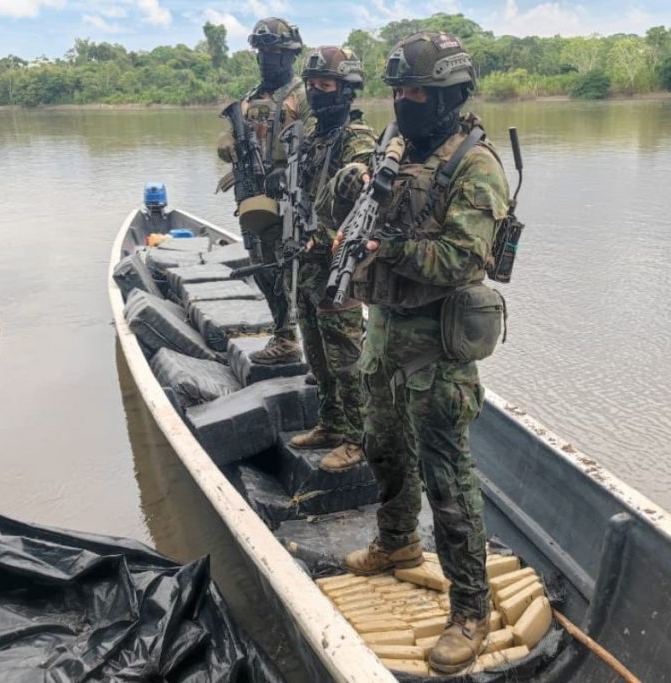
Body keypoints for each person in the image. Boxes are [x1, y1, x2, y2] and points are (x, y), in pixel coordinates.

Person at [335, 32, 511, 673]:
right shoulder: (392, 145)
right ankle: (398, 542)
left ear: (452, 95)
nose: (406, 102)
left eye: (419, 92)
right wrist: (353, 189)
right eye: (399, 91)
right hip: (383, 330)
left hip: (436, 345)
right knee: (384, 446)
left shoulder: (476, 163)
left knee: (448, 477)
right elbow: (346, 222)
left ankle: (470, 609)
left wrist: (388, 244)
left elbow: (463, 258)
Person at [285, 46, 377, 471]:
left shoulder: (357, 140)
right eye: (312, 85)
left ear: (346, 90)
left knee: (347, 361)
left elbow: (364, 203)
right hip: (306, 264)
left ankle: (358, 440)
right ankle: (331, 423)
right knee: (317, 355)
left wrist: (323, 239)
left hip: (338, 267)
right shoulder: (312, 137)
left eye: (326, 85)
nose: (318, 93)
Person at [217, 17, 309, 365]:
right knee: (262, 266)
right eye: (261, 51)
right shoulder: (249, 99)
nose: (266, 58)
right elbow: (231, 136)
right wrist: (226, 140)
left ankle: (301, 339)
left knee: (294, 270)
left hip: (288, 198)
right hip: (251, 196)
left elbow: (320, 142)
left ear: (289, 55)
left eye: (273, 51)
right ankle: (284, 335)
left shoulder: (303, 95)